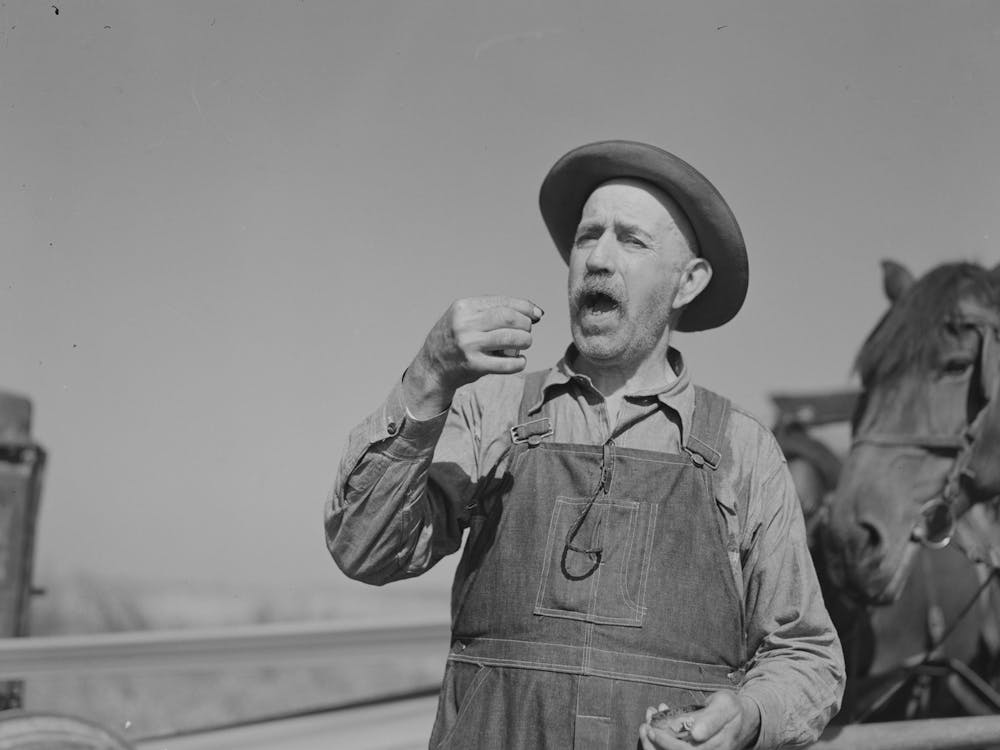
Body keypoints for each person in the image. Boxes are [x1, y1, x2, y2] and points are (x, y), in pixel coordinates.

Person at [326, 140, 845, 749]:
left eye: (631, 240)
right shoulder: (489, 410)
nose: (597, 257)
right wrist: (427, 377)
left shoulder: (743, 449)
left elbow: (809, 658)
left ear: (688, 282)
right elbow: (364, 549)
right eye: (586, 236)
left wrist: (750, 716)